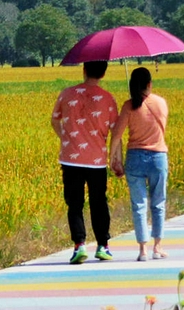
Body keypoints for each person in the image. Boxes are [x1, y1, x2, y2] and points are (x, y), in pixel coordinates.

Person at [52, 59, 120, 264]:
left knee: (75, 203)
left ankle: (79, 245)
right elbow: (115, 131)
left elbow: (55, 119)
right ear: (104, 73)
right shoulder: (108, 98)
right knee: (99, 202)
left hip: (71, 159)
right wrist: (117, 159)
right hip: (97, 160)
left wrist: (65, 137)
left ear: (84, 70)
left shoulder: (66, 94)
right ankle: (103, 245)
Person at [109, 66, 170, 260]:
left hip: (135, 158)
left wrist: (113, 158)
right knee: (158, 203)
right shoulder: (161, 103)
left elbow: (117, 135)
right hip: (158, 157)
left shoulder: (128, 106)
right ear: (149, 84)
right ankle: (157, 246)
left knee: (139, 204)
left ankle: (142, 249)